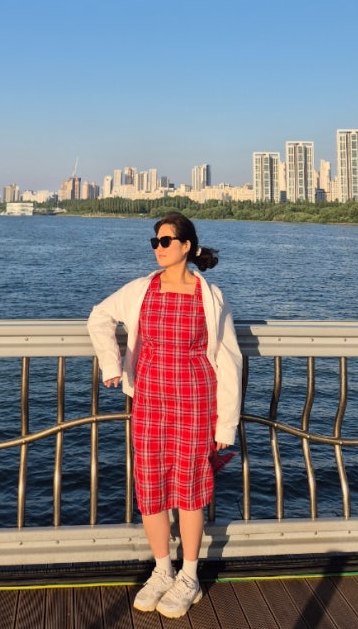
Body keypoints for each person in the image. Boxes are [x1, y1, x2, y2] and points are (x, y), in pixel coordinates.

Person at [87, 212, 242, 618]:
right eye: (155, 241)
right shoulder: (141, 289)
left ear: (186, 246)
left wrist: (225, 423)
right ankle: (162, 570)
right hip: (150, 401)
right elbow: (99, 317)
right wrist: (112, 365)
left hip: (196, 402)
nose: (158, 248)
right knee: (151, 487)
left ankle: (189, 576)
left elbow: (229, 359)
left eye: (166, 241)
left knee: (190, 489)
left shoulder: (210, 296)